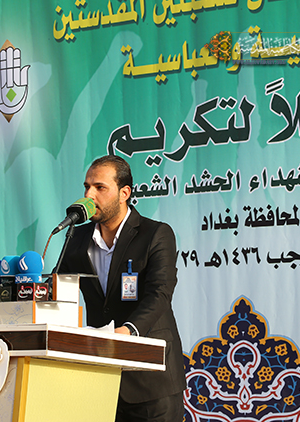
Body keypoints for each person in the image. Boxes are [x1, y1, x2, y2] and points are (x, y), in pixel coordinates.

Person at [59, 155, 186, 422]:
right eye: (87, 187)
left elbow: (160, 293)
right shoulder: (77, 237)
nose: (89, 195)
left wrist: (128, 332)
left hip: (151, 382)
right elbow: (58, 289)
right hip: (101, 379)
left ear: (124, 193)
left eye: (100, 187)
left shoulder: (155, 234)